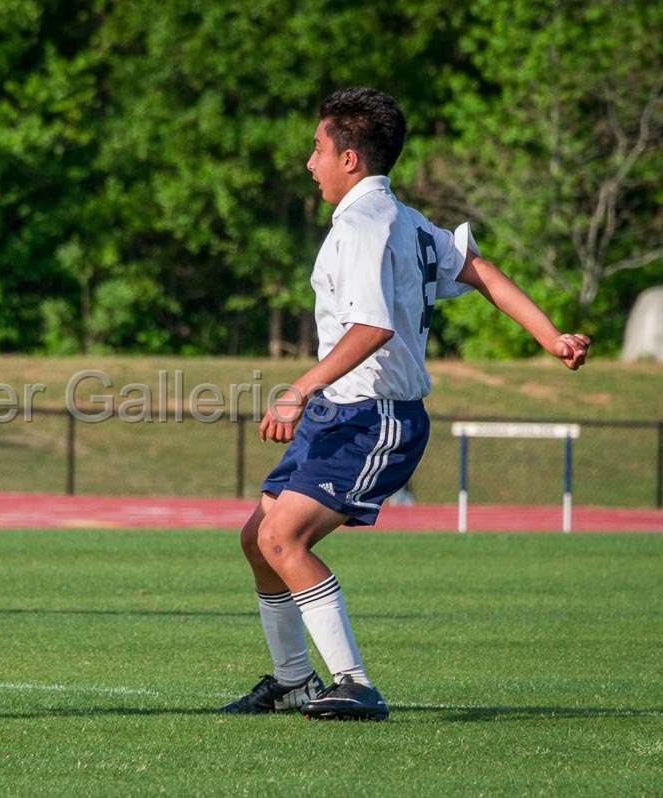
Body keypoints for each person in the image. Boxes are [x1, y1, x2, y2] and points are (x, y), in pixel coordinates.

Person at [222, 88, 590, 721]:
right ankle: (292, 682)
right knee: (259, 538)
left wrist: (298, 387)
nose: (309, 163)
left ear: (351, 158)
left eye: (317, 150)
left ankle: (354, 682)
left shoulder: (364, 227)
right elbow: (484, 271)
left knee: (283, 537)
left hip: (375, 415)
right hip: (340, 413)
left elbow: (375, 328)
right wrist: (550, 335)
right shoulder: (409, 222)